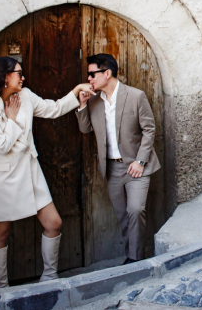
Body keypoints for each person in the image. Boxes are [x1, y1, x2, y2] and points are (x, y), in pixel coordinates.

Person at [0, 56, 92, 288]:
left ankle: (49, 277)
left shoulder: (25, 96)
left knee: (54, 223)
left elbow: (54, 109)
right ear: (5, 77)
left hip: (30, 171)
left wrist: (77, 90)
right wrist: (12, 119)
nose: (23, 77)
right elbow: (2, 146)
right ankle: (1, 286)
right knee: (1, 232)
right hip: (3, 178)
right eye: (19, 73)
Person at [76, 54, 161, 264]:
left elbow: (149, 129)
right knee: (123, 215)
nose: (89, 79)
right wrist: (82, 105)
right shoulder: (94, 101)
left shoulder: (135, 96)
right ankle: (132, 255)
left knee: (135, 209)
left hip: (137, 166)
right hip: (112, 169)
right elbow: (85, 129)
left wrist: (140, 161)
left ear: (107, 73)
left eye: (92, 74)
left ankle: (135, 259)